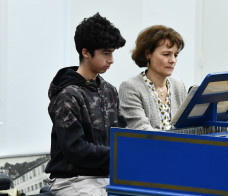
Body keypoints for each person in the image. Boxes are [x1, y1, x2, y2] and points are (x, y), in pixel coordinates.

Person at [45, 13, 127, 196]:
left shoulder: (110, 91)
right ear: (86, 52)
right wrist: (119, 155)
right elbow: (75, 149)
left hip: (107, 175)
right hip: (73, 179)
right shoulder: (67, 95)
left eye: (112, 53)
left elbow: (122, 134)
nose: (111, 59)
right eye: (106, 53)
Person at [119, 25, 186, 131]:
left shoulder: (178, 85)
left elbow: (185, 126)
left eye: (176, 55)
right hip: (148, 147)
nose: (173, 60)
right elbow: (141, 128)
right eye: (166, 54)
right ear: (147, 54)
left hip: (178, 146)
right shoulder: (130, 87)